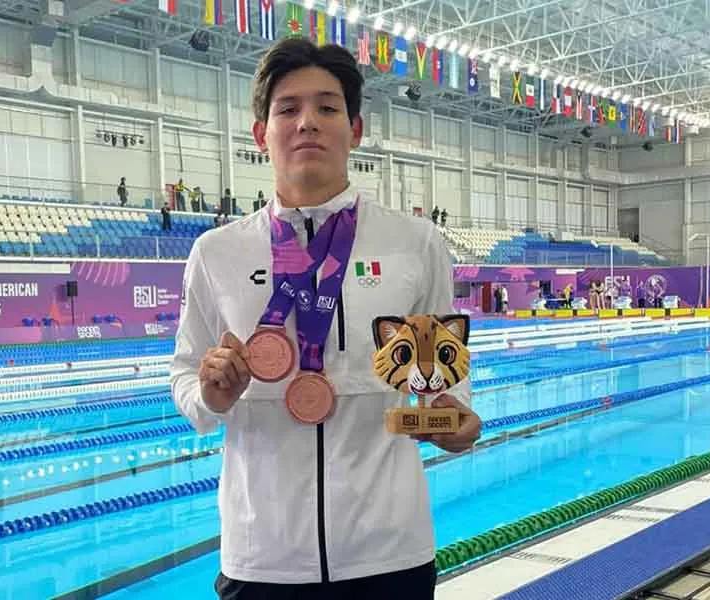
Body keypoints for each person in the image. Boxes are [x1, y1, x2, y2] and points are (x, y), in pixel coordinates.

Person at [169, 38, 481, 600]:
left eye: (327, 107)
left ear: (355, 129)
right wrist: (211, 394)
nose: (307, 122)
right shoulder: (217, 253)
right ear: (261, 133)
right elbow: (185, 377)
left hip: (390, 552)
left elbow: (445, 387)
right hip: (262, 556)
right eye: (288, 108)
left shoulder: (415, 243)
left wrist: (455, 422)